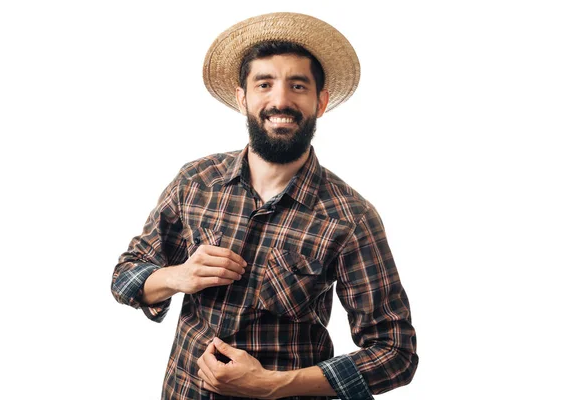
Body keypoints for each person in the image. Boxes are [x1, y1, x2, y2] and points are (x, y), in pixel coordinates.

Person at [111, 12, 418, 400]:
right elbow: (125, 276)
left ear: (320, 101)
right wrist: (177, 276)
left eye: (298, 86)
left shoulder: (350, 217)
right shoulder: (196, 181)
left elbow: (396, 353)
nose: (280, 100)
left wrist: (272, 385)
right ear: (243, 98)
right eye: (264, 84)